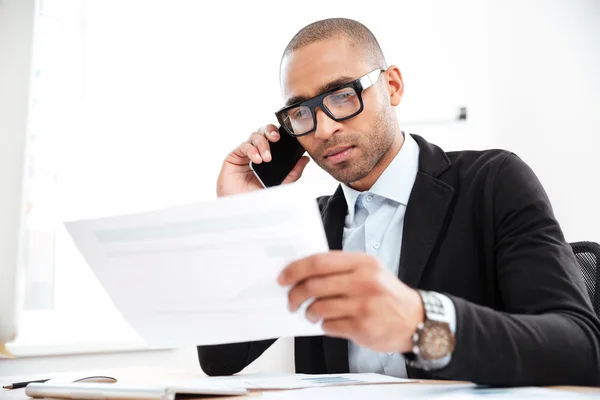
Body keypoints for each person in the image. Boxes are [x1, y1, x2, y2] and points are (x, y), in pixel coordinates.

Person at [198, 18, 600, 386]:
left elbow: (581, 348)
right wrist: (242, 218)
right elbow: (220, 357)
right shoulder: (310, 226)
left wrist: (422, 325)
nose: (323, 128)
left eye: (341, 95)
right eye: (301, 113)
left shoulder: (493, 182)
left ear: (392, 86)